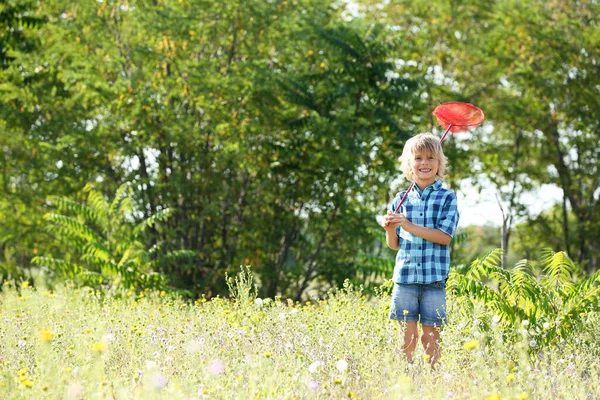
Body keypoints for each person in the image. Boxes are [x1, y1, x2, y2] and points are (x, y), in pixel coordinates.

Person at [382, 132, 459, 368]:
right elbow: (394, 245)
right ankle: (407, 376)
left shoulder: (447, 198)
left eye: (430, 158)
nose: (424, 163)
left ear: (439, 164)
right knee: (407, 335)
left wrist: (408, 225)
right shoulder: (399, 199)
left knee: (431, 335)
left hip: (433, 280)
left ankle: (433, 377)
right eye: (418, 158)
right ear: (409, 165)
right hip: (404, 278)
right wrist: (389, 229)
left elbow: (444, 238)